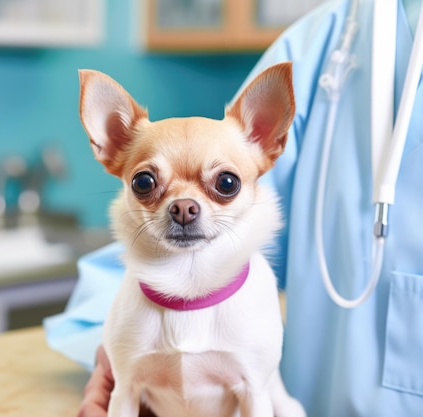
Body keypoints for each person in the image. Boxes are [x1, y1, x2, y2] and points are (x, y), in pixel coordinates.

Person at [44, 0, 423, 415]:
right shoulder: (332, 39)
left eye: (223, 185)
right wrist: (119, 346)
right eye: (147, 183)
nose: (184, 208)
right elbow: (145, 266)